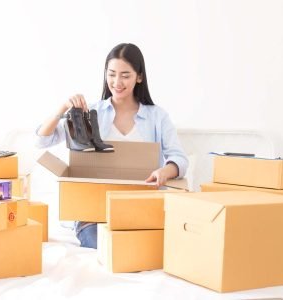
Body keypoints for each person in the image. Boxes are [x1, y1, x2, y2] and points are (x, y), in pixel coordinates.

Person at [36, 43, 188, 249]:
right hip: (94, 213)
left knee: (148, 247)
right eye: (112, 74)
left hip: (140, 209)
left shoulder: (157, 117)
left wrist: (165, 171)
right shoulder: (90, 112)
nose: (117, 82)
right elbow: (43, 140)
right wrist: (63, 107)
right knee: (109, 248)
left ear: (139, 77)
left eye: (125, 75)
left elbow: (179, 158)